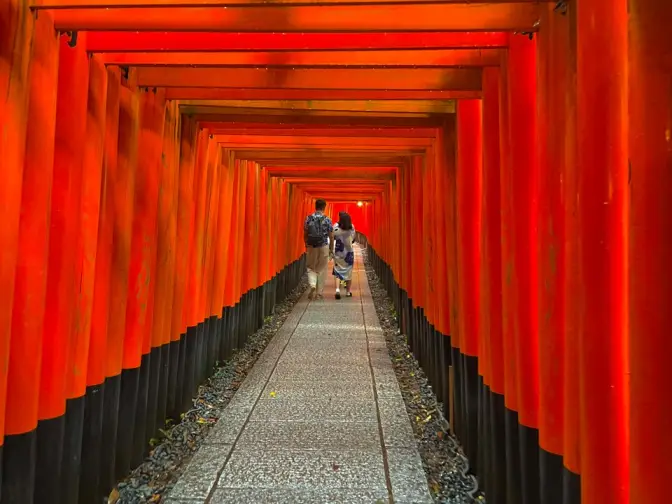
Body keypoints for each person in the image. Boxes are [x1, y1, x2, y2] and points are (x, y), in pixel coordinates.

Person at [304, 199, 334, 300]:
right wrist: (331, 248)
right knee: (322, 269)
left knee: (311, 266)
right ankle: (319, 293)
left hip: (311, 246)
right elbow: (331, 235)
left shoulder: (309, 218)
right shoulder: (327, 219)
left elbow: (305, 233)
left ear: (315, 206)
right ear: (324, 207)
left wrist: (306, 244)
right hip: (323, 246)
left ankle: (312, 284)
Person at [332, 211, 356, 299]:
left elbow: (333, 236)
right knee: (348, 272)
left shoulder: (336, 226)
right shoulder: (351, 227)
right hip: (349, 252)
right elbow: (353, 239)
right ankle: (348, 292)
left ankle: (337, 289)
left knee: (337, 271)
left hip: (338, 252)